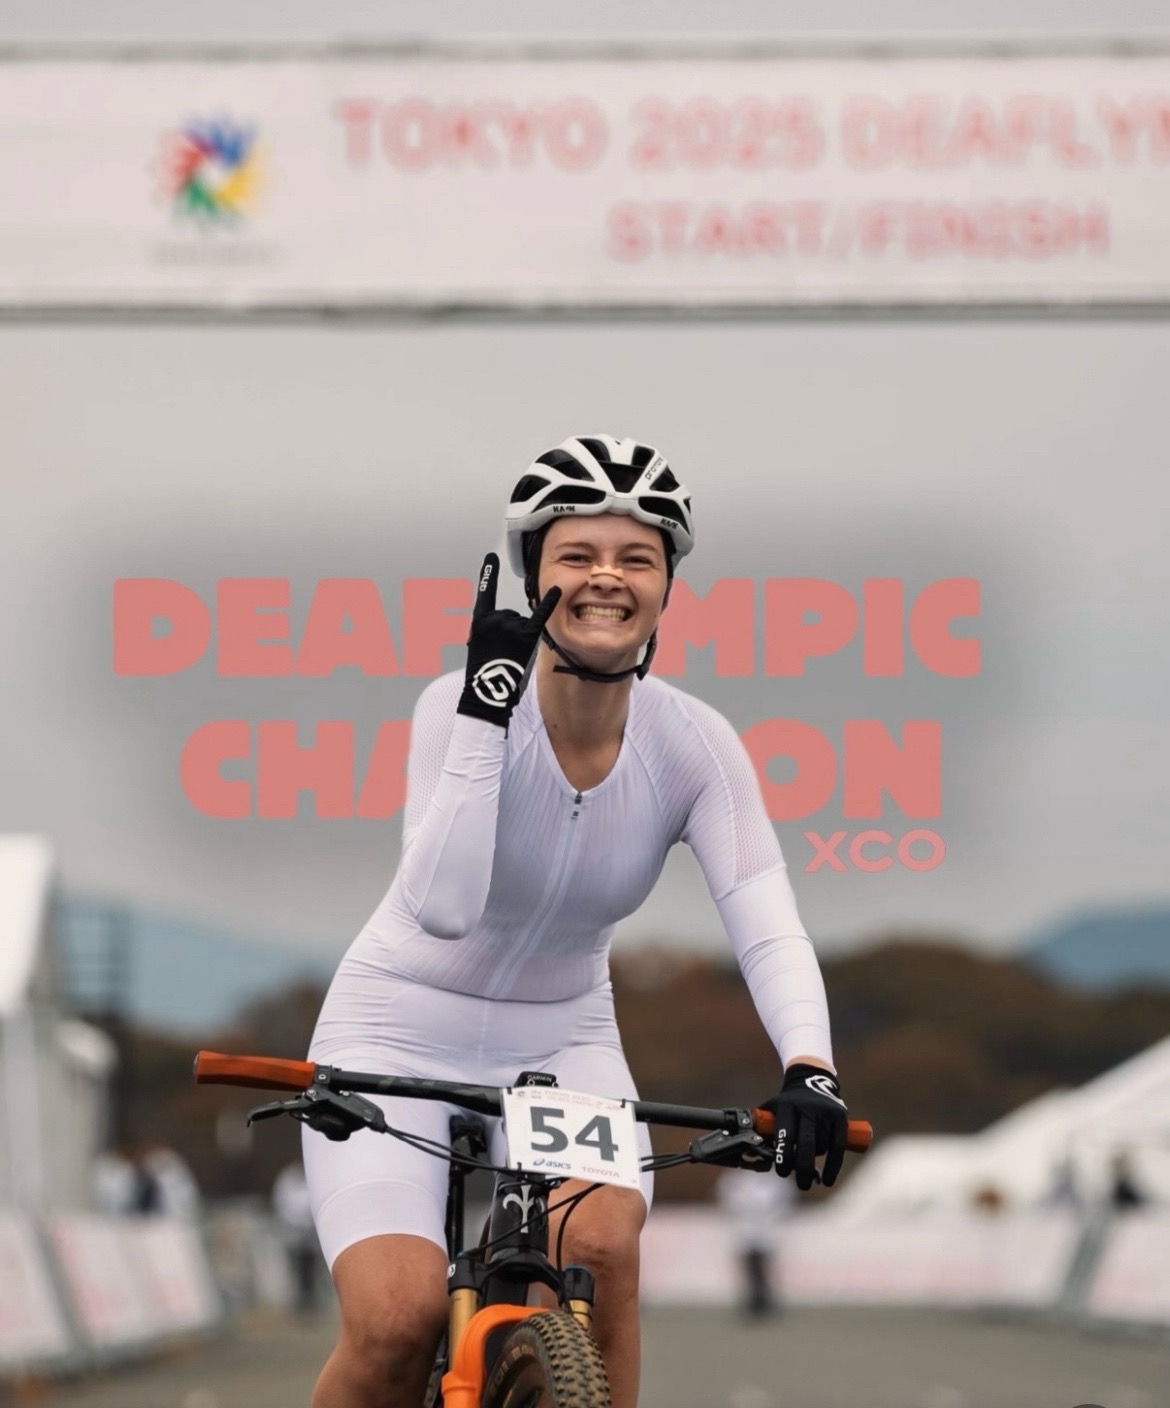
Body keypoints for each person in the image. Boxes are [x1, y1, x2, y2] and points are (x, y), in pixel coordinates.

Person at [303, 435, 849, 1408]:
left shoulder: (695, 744)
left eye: (637, 557)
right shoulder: (454, 705)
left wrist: (810, 1065)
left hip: (562, 1039)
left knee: (602, 1247)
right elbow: (442, 909)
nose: (607, 577)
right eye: (578, 555)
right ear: (532, 576)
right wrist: (484, 715)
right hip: (395, 1027)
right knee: (395, 1321)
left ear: (667, 588)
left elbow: (767, 922)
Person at [716, 1165, 796, 1318]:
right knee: (749, 1267)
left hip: (767, 1229)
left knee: (765, 1267)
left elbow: (784, 1200)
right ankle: (753, 1301)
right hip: (745, 1229)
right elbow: (728, 1199)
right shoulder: (735, 1178)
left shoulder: (774, 1178)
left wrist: (770, 1214)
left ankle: (765, 1300)